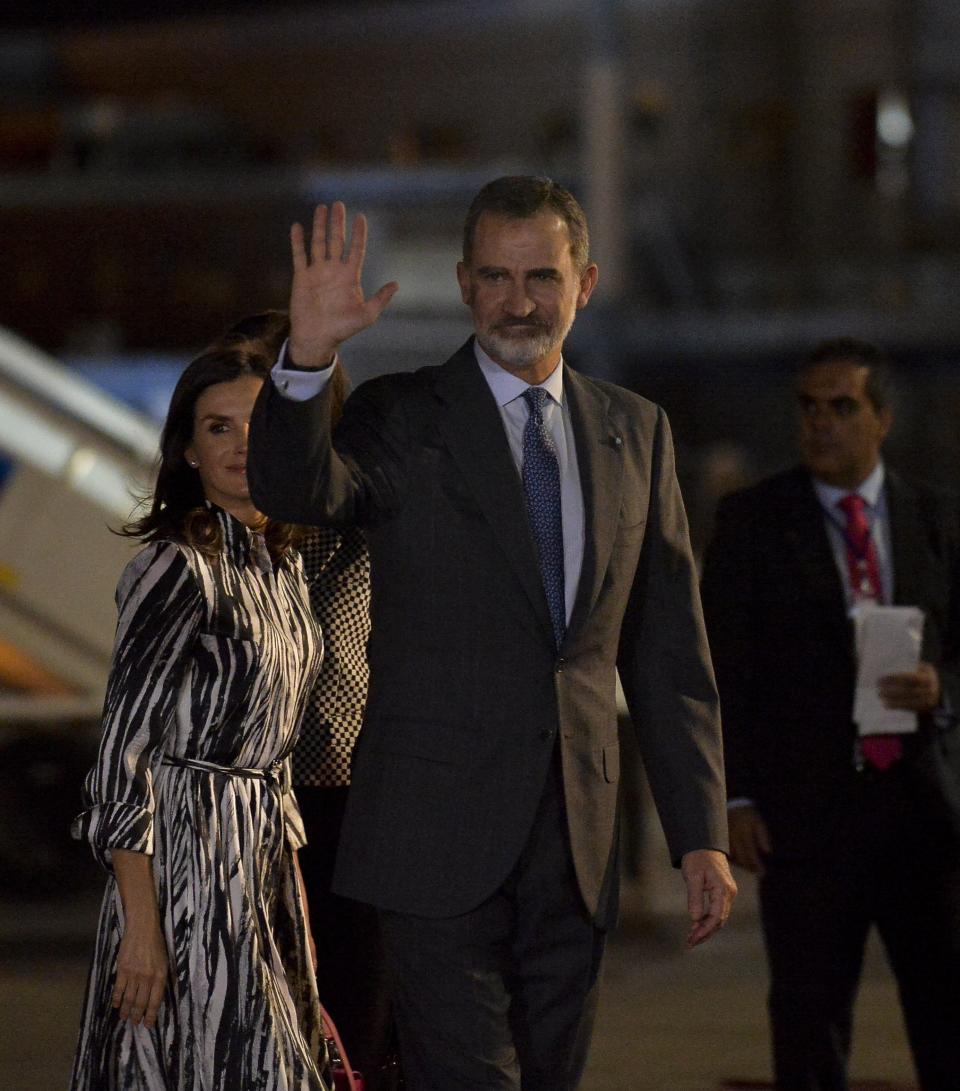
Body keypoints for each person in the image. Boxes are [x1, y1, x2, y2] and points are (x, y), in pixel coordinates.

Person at [247, 176, 736, 1091]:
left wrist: (699, 830)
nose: (521, 301)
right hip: (431, 840)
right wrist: (305, 358)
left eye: (543, 276)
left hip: (579, 846)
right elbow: (294, 491)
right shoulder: (401, 417)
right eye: (498, 277)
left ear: (585, 284)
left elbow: (669, 652)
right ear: (466, 285)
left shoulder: (640, 432)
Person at [701, 338, 960, 1091]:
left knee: (946, 1014)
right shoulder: (754, 522)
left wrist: (941, 686)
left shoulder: (937, 519)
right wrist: (738, 795)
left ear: (880, 418)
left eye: (842, 406)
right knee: (810, 1023)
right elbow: (726, 669)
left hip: (924, 812)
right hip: (808, 819)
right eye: (809, 407)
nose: (821, 423)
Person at [70, 344, 329, 1090]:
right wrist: (142, 930)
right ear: (187, 448)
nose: (242, 443)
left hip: (260, 850)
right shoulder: (175, 566)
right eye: (219, 427)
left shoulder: (280, 561)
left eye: (258, 423)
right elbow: (124, 754)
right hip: (185, 862)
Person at [214, 310, 398, 1089]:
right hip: (249, 791)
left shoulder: (349, 493)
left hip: (345, 785)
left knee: (354, 1011)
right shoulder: (213, 526)